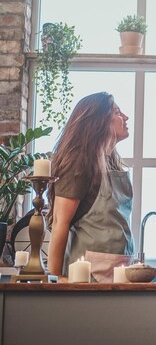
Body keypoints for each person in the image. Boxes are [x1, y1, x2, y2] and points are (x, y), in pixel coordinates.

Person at [47, 92, 134, 282]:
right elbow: (59, 221)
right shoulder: (79, 161)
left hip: (119, 272)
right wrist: (55, 278)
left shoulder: (113, 163)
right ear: (98, 121)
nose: (126, 117)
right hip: (87, 277)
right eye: (117, 112)